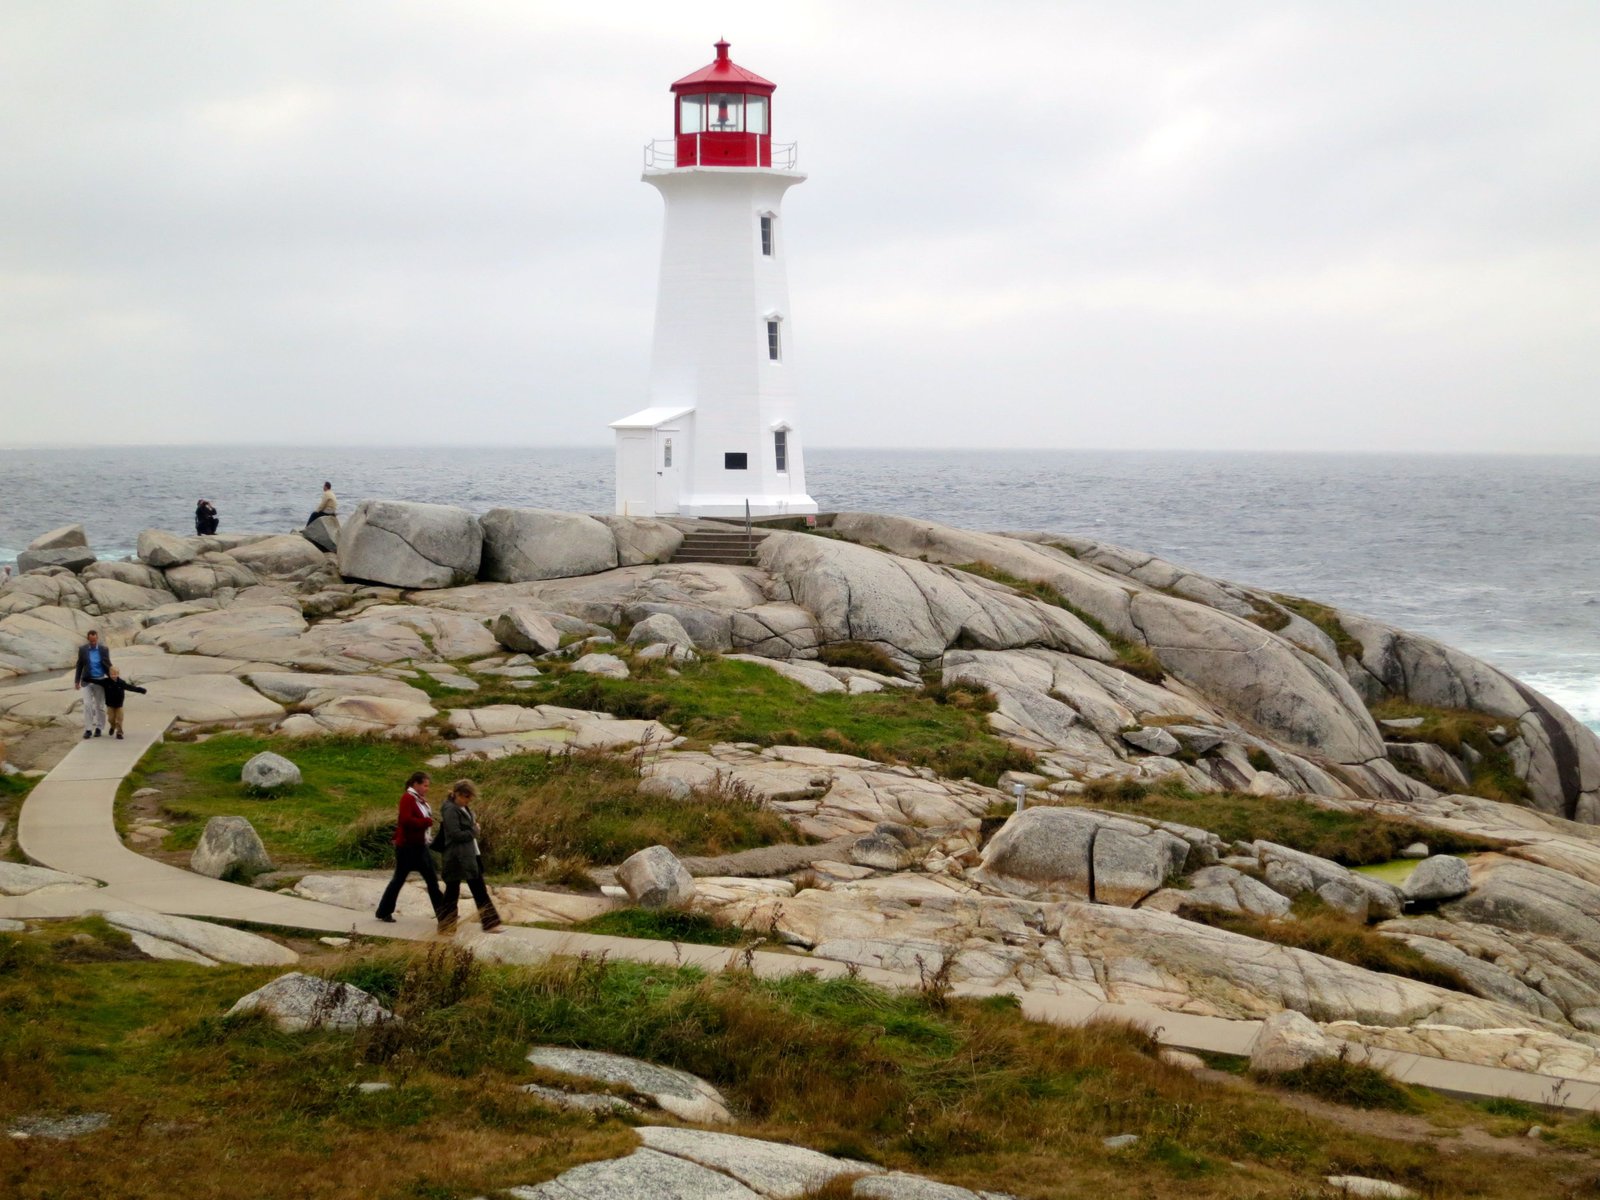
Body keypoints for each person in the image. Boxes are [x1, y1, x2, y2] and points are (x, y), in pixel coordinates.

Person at [374, 770, 446, 923]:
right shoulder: (407, 798)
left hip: (419, 845)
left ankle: (444, 913)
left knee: (431, 880)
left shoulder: (418, 799)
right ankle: (383, 911)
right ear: (416, 784)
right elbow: (406, 820)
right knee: (399, 880)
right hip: (407, 847)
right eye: (425, 785)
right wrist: (426, 822)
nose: (427, 789)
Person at [432, 779, 501, 935]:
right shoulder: (450, 810)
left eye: (470, 797)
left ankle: (490, 923)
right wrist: (473, 831)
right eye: (466, 797)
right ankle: (446, 927)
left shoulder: (463, 807)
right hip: (456, 857)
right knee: (452, 892)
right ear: (457, 794)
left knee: (479, 889)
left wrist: (472, 827)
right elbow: (455, 834)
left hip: (470, 854)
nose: (468, 800)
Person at [73, 630, 112, 739]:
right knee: (87, 705)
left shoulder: (104, 649)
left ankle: (99, 727)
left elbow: (108, 664)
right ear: (88, 639)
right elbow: (79, 665)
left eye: (95, 640)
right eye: (91, 640)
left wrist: (113, 680)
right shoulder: (83, 650)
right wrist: (77, 681)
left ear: (97, 638)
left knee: (100, 706)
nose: (93, 642)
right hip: (87, 681)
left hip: (100, 680)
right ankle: (88, 729)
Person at [94, 667, 147, 741]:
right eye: (112, 674)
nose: (113, 676)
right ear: (109, 674)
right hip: (110, 705)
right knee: (110, 719)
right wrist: (85, 679)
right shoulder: (106, 682)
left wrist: (141, 690)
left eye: (115, 674)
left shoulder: (121, 682)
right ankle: (112, 727)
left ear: (118, 674)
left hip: (119, 705)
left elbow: (130, 687)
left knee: (119, 719)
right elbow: (96, 681)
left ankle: (119, 733)